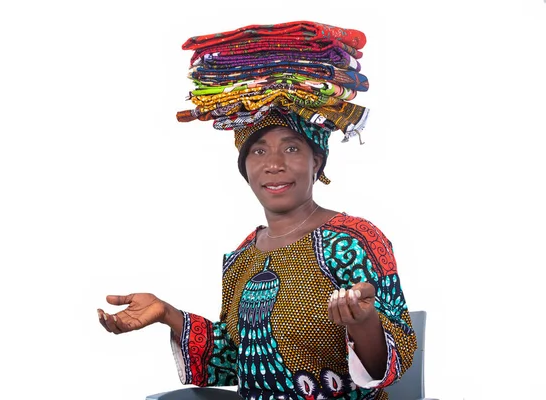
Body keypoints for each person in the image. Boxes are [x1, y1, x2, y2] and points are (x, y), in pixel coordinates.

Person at [97, 21, 417, 400]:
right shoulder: (244, 255)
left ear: (318, 160)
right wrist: (169, 314)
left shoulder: (353, 239)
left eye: (292, 148)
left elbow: (399, 355)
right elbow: (235, 360)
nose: (274, 164)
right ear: (245, 166)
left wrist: (364, 324)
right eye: (259, 151)